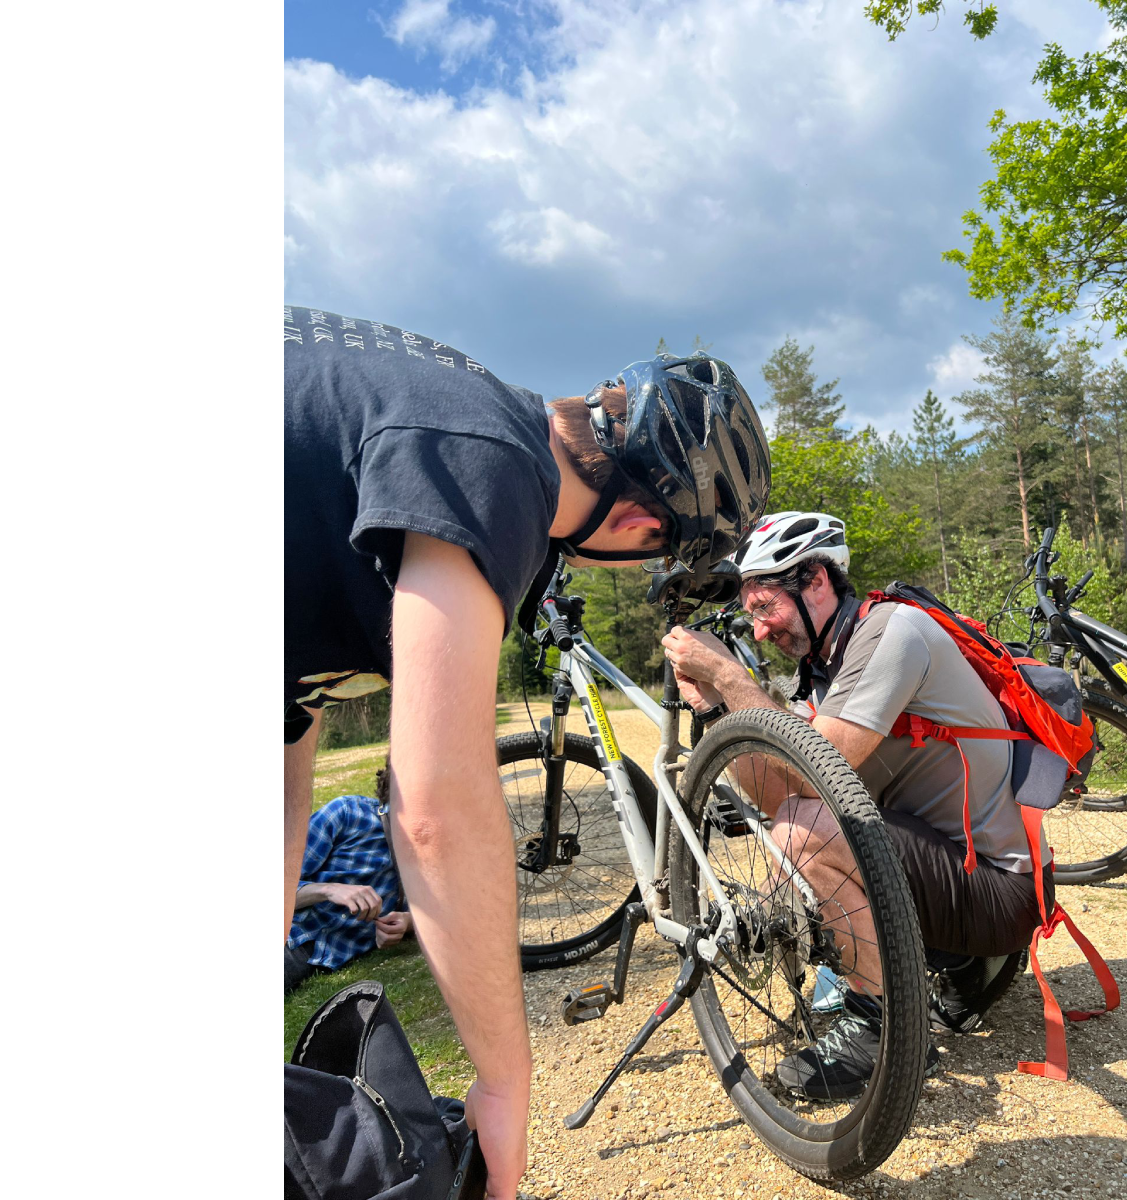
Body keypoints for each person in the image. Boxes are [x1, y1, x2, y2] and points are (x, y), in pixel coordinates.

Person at [285, 305, 771, 1200]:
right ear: (635, 528)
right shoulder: (493, 458)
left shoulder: (435, 407)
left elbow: (292, 735)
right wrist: (506, 1085)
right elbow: (434, 810)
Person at [660, 511, 1056, 1098]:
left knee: (805, 834)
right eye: (752, 615)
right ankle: (966, 966)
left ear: (817, 580)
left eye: (767, 607)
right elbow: (777, 793)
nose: (762, 630)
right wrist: (715, 704)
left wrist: (726, 669)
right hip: (950, 872)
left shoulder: (893, 633)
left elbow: (812, 782)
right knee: (790, 829)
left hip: (1003, 888)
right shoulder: (822, 671)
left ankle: (885, 1030)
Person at [284, 780, 415, 995]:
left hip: (308, 957)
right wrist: (327, 890)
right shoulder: (347, 814)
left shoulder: (440, 859)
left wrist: (407, 923)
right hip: (292, 931)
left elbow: (446, 915)